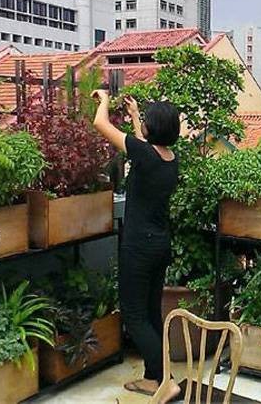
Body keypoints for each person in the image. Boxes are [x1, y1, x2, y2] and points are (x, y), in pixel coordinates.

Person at [92, 89, 181, 403]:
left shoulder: (145, 155)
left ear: (152, 129)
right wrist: (134, 115)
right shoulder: (170, 159)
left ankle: (166, 381)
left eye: (146, 120)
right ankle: (153, 378)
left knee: (133, 315)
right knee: (150, 313)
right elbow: (143, 146)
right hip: (159, 245)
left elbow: (101, 124)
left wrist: (104, 101)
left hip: (138, 247)